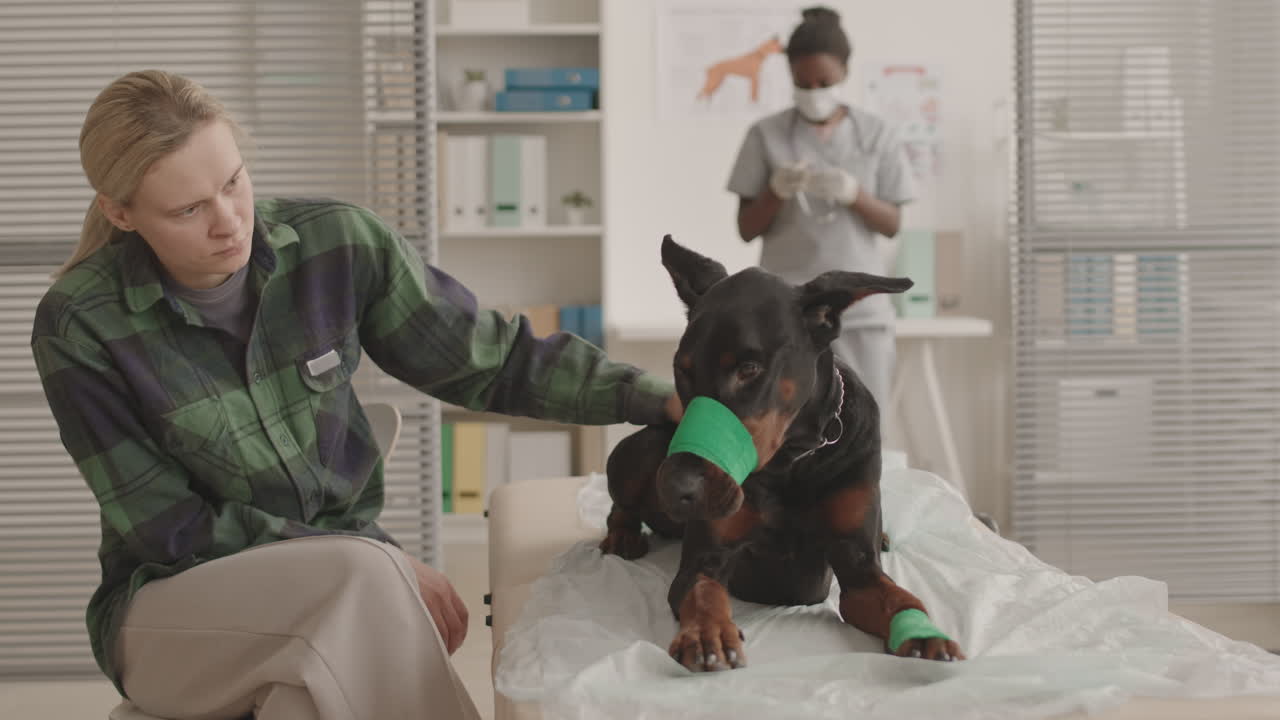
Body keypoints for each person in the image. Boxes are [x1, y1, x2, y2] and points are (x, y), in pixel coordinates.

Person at [31, 69, 680, 720]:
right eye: (188, 209)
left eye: (233, 182)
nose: (229, 221)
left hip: (333, 602)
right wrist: (372, 558)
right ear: (121, 213)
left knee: (305, 697)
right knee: (364, 577)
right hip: (169, 613)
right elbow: (171, 530)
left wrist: (657, 400)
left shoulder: (336, 244)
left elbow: (490, 359)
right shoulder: (82, 324)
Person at [727, 5, 916, 418]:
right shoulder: (765, 135)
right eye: (803, 82)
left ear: (845, 73)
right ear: (790, 75)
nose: (814, 90)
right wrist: (776, 192)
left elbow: (893, 224)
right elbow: (745, 228)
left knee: (862, 428)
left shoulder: (878, 134)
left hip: (859, 313)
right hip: (785, 313)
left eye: (824, 82)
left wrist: (855, 195)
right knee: (784, 428)